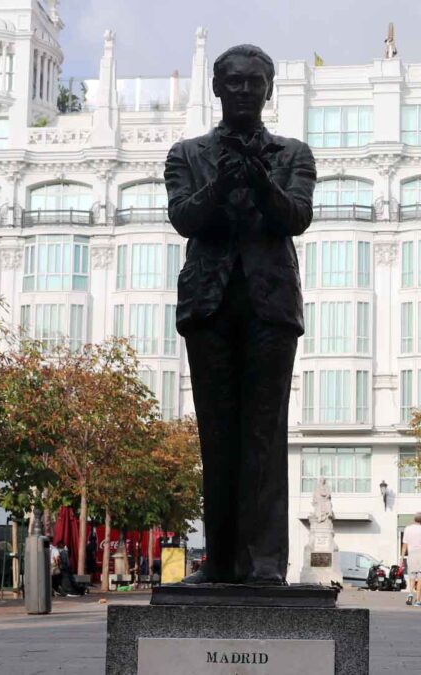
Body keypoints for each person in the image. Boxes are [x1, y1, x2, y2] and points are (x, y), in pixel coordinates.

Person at [165, 43, 316, 585]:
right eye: (235, 82)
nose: (245, 91)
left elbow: (296, 217)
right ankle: (221, 560)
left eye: (255, 82)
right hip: (208, 306)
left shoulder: (292, 153)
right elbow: (184, 218)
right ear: (217, 88)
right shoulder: (187, 153)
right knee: (217, 436)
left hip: (270, 307)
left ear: (270, 90)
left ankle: (266, 561)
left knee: (264, 434)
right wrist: (223, 183)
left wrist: (258, 180)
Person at [402, 513, 421, 607]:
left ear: (414, 519)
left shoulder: (407, 529)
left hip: (411, 554)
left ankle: (410, 593)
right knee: (420, 578)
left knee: (412, 576)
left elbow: (404, 545)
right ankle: (417, 600)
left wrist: (402, 558)